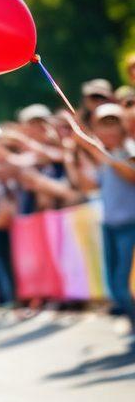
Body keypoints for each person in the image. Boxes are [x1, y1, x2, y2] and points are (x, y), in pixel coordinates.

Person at [65, 103, 135, 332]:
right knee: (115, 285)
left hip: (129, 225)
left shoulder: (129, 151)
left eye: (113, 122)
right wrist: (73, 155)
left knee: (124, 284)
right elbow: (87, 185)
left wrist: (96, 151)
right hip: (110, 226)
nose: (109, 129)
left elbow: (131, 175)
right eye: (104, 124)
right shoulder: (105, 157)